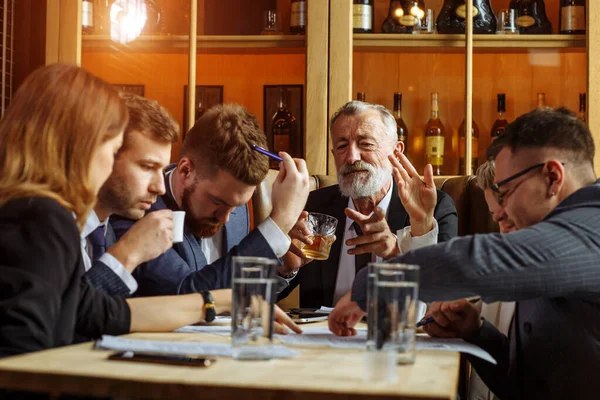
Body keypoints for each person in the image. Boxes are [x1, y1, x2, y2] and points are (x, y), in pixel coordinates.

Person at [0, 64, 300, 358]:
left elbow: (100, 310)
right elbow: (22, 358)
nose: (157, 185)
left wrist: (222, 300)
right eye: (111, 148)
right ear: (76, 147)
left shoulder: (48, 216)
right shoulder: (40, 217)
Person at [330, 107, 600, 399]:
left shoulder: (592, 226)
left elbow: (479, 259)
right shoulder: (550, 243)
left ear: (552, 177)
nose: (501, 213)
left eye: (506, 191)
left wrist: (372, 283)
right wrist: (476, 332)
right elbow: (523, 385)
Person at [112, 103, 310, 296]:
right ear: (186, 170)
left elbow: (235, 292)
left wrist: (282, 269)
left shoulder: (234, 206)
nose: (226, 218)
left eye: (236, 206)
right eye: (218, 202)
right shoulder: (135, 207)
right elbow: (190, 295)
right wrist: (278, 223)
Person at [277, 101, 458, 308]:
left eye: (366, 144)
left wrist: (396, 251)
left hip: (396, 337)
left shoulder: (435, 208)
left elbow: (443, 295)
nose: (352, 157)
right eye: (342, 146)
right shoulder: (313, 206)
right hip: (325, 337)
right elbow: (257, 296)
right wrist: (285, 268)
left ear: (396, 152)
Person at [83, 93, 178, 296]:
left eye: (162, 170)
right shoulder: (48, 223)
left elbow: (107, 313)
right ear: (107, 154)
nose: (160, 188)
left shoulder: (104, 230)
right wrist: (130, 252)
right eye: (147, 167)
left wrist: (214, 300)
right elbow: (69, 316)